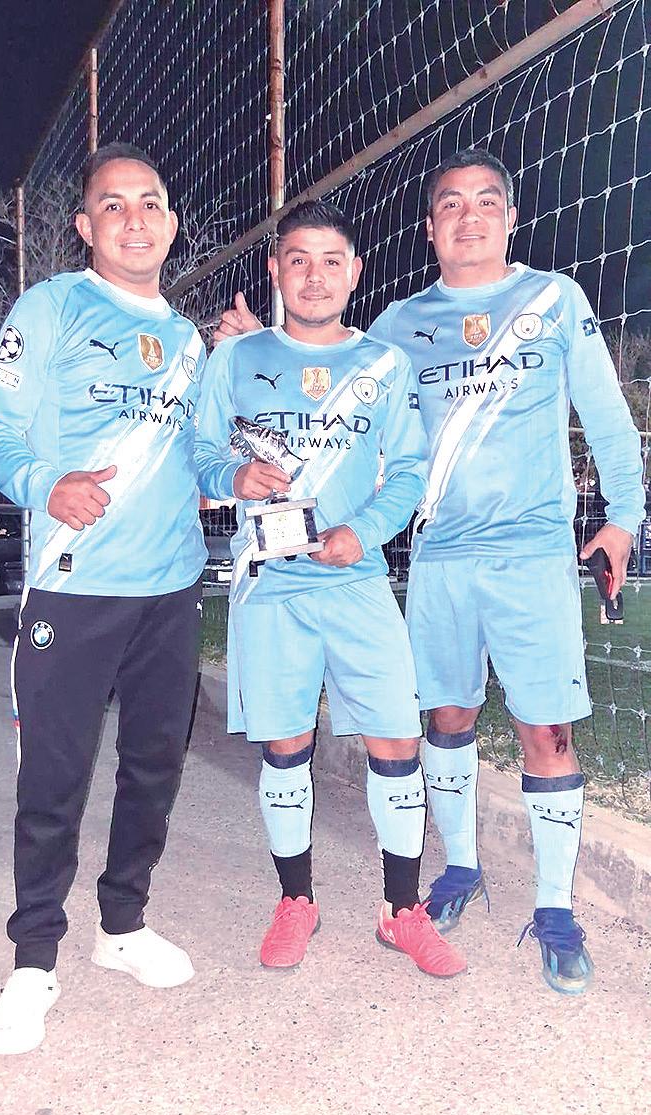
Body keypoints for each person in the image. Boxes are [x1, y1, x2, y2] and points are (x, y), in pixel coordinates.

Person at [214, 151, 645, 995]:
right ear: (430, 227)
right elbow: (325, 379)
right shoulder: (398, 327)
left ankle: (556, 910)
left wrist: (623, 516)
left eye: (486, 201)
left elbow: (605, 412)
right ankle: (460, 870)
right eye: (451, 204)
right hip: (440, 555)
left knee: (547, 730)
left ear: (510, 217)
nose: (469, 216)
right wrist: (252, 347)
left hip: (531, 553)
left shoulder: (555, 300)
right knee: (445, 718)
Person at [0, 143, 208, 1054]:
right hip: (74, 591)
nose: (134, 218)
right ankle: (34, 959)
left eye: (150, 202)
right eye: (114, 205)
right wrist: (46, 484)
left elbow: (201, 462)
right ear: (85, 226)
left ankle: (123, 924)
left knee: (154, 765)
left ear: (171, 223)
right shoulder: (52, 307)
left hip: (171, 589)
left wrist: (236, 456)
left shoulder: (188, 343)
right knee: (53, 778)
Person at [195, 200, 465, 978]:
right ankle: (296, 901)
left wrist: (363, 531)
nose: (314, 276)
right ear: (275, 270)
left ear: (355, 271)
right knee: (286, 745)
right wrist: (233, 475)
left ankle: (401, 911)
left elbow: (408, 471)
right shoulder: (235, 360)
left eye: (330, 261)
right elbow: (200, 452)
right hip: (270, 583)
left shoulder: (384, 365)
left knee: (397, 739)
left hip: (355, 577)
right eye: (298, 260)